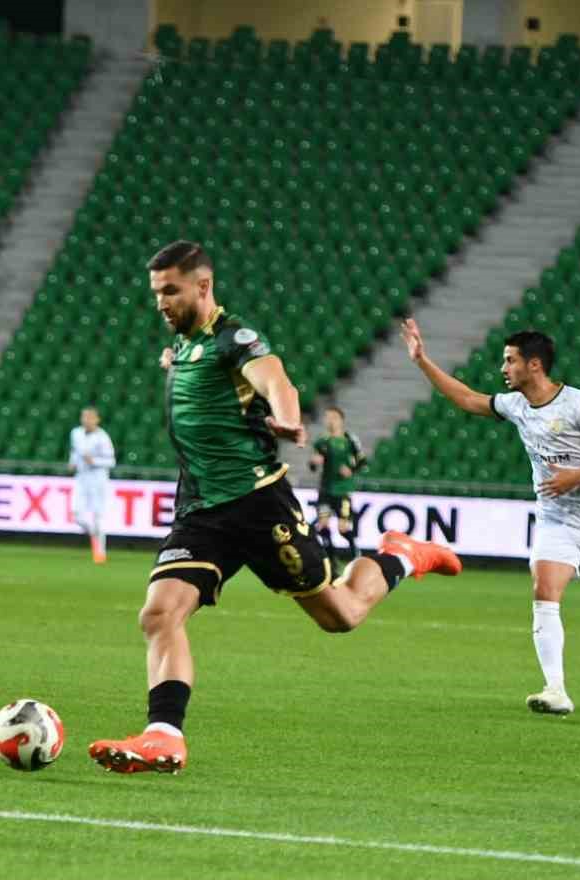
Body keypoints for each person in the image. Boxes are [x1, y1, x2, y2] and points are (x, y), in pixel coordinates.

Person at [87, 242, 462, 776]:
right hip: (200, 510)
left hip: (258, 505)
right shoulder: (185, 346)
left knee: (340, 615)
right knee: (159, 613)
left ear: (203, 286)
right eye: (155, 293)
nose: (161, 302)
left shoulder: (235, 338)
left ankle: (400, 555)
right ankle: (164, 736)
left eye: (171, 290)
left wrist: (288, 417)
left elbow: (275, 379)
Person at [404, 319, 580, 715]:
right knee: (544, 592)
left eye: (510, 360)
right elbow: (467, 399)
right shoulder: (516, 405)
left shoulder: (579, 404)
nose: (503, 368)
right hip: (555, 518)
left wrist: (576, 475)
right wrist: (422, 361)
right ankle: (556, 689)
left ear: (534, 364)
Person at [308, 405, 366, 574]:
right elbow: (313, 465)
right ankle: (332, 562)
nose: (330, 421)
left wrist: (351, 469)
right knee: (323, 526)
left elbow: (362, 460)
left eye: (333, 417)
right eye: (327, 418)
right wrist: (314, 463)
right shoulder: (322, 441)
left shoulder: (350, 440)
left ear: (341, 420)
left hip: (343, 491)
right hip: (325, 490)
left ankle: (357, 556)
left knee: (343, 528)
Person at [68, 407, 115, 563]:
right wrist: (72, 462)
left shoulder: (103, 438)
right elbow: (75, 451)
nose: (86, 420)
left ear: (97, 420)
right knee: (76, 514)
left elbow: (111, 461)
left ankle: (100, 552)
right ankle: (93, 534)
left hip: (98, 479)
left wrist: (94, 461)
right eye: (84, 417)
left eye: (90, 417)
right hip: (81, 477)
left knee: (98, 515)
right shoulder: (76, 433)